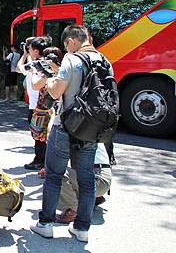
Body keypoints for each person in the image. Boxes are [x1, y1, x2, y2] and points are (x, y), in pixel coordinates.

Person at [31, 25, 113, 243]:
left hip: (66, 126)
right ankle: (82, 229)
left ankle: (45, 223)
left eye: (67, 45)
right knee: (86, 180)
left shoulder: (72, 59)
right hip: (92, 128)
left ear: (72, 42)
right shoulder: (106, 61)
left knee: (53, 175)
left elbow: (57, 91)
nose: (67, 49)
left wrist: (49, 81)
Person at [56, 143, 113, 224]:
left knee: (58, 172)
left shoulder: (78, 134)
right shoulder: (92, 133)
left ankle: (72, 211)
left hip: (97, 178)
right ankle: (94, 199)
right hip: (104, 178)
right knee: (74, 173)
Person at [29, 46, 63, 179]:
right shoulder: (44, 72)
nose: (47, 60)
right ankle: (43, 164)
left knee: (53, 140)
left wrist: (54, 70)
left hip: (56, 110)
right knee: (40, 138)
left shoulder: (63, 72)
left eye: (50, 58)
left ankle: (49, 167)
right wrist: (44, 72)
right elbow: (35, 85)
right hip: (43, 109)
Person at [17, 37, 48, 171]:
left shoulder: (34, 66)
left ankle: (39, 160)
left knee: (37, 135)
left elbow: (18, 68)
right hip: (47, 105)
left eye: (29, 48)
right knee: (44, 134)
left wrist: (24, 55)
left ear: (35, 51)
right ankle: (45, 161)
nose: (27, 50)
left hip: (36, 106)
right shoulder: (47, 63)